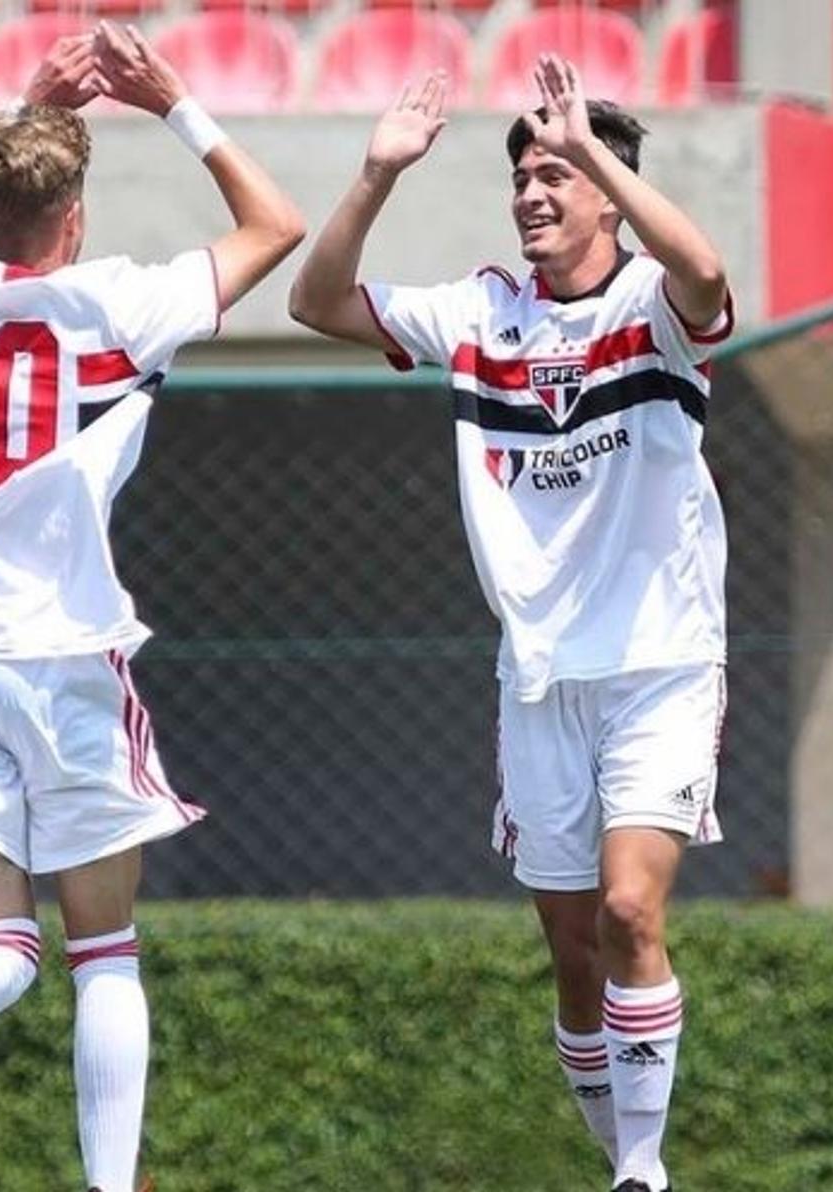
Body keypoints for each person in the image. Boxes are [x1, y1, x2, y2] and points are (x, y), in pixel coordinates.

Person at [0, 23, 302, 1192]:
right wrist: (174, 100)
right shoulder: (117, 303)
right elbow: (275, 226)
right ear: (73, 219)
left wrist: (21, 101)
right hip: (63, 660)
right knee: (104, 952)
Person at [288, 56, 731, 1192]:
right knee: (575, 951)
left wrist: (594, 150)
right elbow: (315, 300)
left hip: (660, 664)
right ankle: (616, 1150)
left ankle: (642, 1168)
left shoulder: (654, 309)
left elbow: (707, 268)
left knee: (634, 909)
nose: (532, 193)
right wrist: (378, 174)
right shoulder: (482, 314)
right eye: (523, 177)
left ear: (602, 186)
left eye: (555, 173)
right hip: (536, 678)